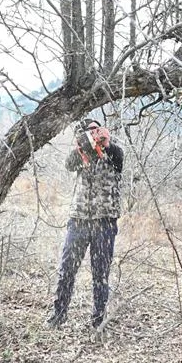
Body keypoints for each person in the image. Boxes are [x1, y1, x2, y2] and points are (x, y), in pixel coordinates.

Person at [47, 118, 124, 329]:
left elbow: (120, 161)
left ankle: (98, 320)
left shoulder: (112, 150)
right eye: (89, 131)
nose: (93, 134)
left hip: (105, 222)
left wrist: (106, 144)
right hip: (79, 220)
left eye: (95, 130)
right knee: (67, 270)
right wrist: (83, 146)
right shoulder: (81, 154)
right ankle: (58, 315)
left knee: (101, 274)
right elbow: (69, 164)